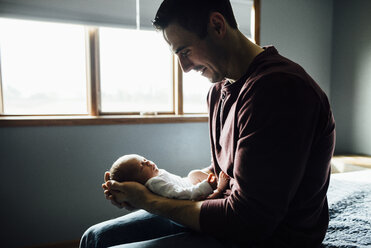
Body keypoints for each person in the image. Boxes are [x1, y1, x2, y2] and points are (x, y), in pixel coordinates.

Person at [80, 0, 336, 247]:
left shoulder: (280, 90)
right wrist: (145, 185)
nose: (184, 68)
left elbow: (251, 222)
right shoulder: (219, 91)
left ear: (217, 25)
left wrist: (149, 201)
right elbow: (229, 172)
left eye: (185, 51)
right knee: (96, 237)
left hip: (270, 237)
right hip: (225, 216)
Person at [109, 154, 230, 201]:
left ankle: (217, 184)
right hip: (189, 196)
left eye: (145, 160)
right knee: (199, 185)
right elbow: (180, 194)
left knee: (193, 174)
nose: (148, 162)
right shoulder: (154, 183)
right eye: (142, 166)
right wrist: (207, 185)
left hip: (187, 185)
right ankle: (218, 190)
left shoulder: (154, 176)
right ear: (137, 181)